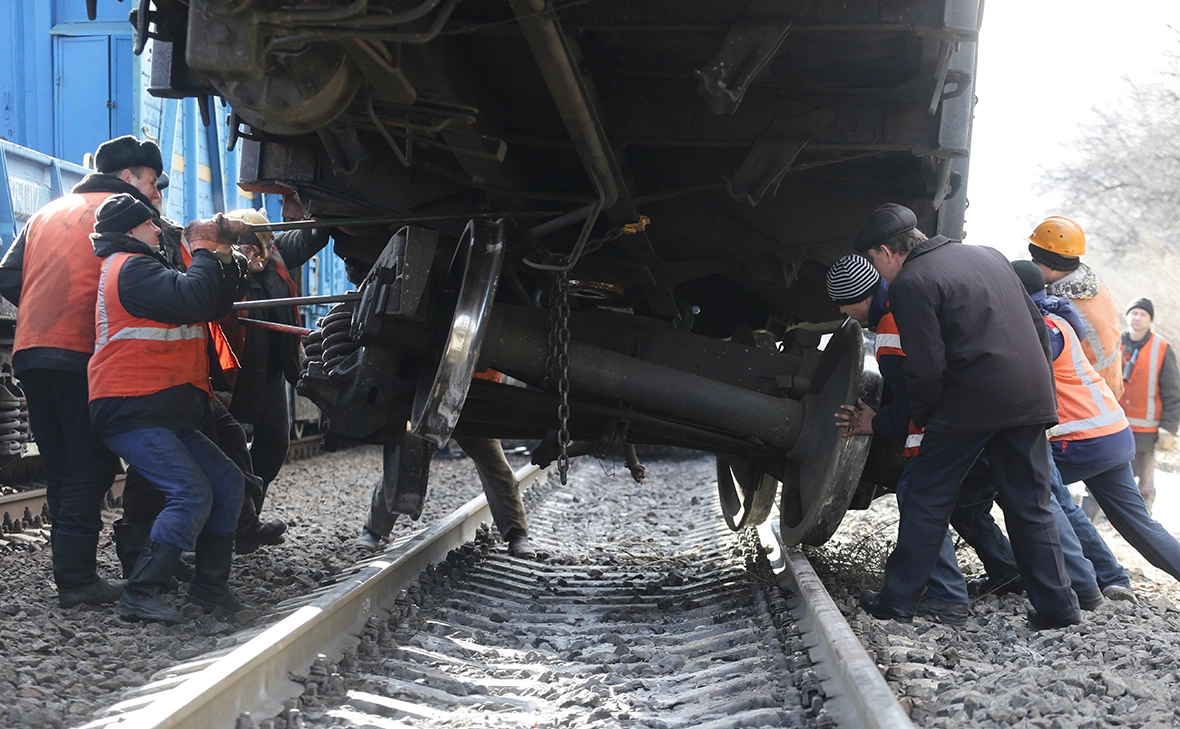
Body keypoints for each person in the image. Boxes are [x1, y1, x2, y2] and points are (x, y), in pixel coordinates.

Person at [854, 203, 1079, 630]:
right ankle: (1058, 608)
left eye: (876, 265)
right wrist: (1040, 393)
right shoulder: (989, 255)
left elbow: (926, 366)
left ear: (886, 251)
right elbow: (1036, 327)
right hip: (1030, 397)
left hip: (971, 402)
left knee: (924, 493)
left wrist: (921, 417)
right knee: (1031, 504)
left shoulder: (911, 282)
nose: (881, 276)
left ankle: (898, 600)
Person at [0, 135, 168, 608]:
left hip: (31, 352)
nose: (155, 194)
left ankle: (73, 573)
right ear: (129, 177)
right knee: (91, 465)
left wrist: (40, 315)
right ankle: (77, 582)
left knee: (61, 465)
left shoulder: (48, 211)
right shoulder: (129, 215)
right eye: (152, 182)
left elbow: (9, 276)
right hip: (84, 354)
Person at [88, 194, 247, 623]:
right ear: (128, 231)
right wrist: (201, 249)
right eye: (148, 224)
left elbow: (212, 303)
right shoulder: (130, 268)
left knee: (227, 483)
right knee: (191, 492)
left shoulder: (143, 268)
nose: (158, 230)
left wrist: (224, 256)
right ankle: (140, 592)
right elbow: (196, 299)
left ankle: (209, 591)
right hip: (132, 406)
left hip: (160, 409)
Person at [950, 261, 1138, 605]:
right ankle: (1095, 577)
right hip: (1051, 427)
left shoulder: (1040, 325)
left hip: (1042, 428)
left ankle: (1089, 583)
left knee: (1048, 502)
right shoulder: (1057, 316)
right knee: (994, 499)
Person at [826, 254, 969, 624]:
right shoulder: (907, 304)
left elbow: (914, 399)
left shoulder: (889, 327)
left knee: (917, 494)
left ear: (860, 298)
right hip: (974, 412)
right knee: (976, 500)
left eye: (843, 303)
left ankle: (946, 595)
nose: (843, 311)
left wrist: (876, 424)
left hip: (941, 425)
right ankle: (1005, 573)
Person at [223, 206, 331, 519]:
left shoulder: (273, 255)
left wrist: (320, 213)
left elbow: (307, 239)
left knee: (273, 445)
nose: (268, 255)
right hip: (233, 374)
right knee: (228, 448)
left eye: (269, 247)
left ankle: (249, 515)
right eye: (260, 249)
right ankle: (232, 520)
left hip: (269, 373)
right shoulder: (222, 267)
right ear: (244, 248)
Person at [1028, 216, 1123, 398]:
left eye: (1036, 260)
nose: (1032, 264)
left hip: (1091, 394)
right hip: (1110, 383)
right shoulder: (1094, 284)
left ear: (1053, 264)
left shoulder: (1063, 307)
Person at [1118, 298, 1180, 515]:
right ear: (1127, 316)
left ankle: (1144, 522)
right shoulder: (1113, 341)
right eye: (1134, 313)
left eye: (1143, 314)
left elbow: (1172, 391)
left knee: (1145, 483)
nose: (1138, 318)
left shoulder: (1162, 348)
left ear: (1150, 319)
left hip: (1148, 430)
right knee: (1109, 476)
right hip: (1115, 426)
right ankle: (1105, 520)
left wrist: (1169, 429)